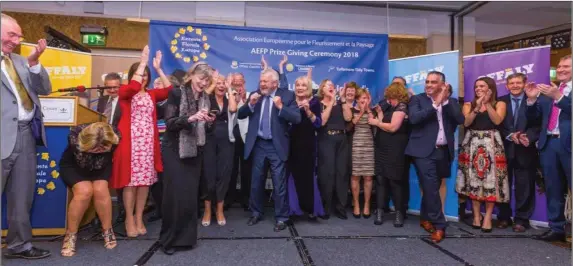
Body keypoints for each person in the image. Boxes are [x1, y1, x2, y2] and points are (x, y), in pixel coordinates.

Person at [1, 13, 52, 260]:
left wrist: (34, 63)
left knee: (22, 195)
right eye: (12, 34)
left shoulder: (22, 61)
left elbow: (45, 89)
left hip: (25, 135)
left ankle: (19, 245)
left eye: (19, 36)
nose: (17, 40)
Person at [110, 46, 172, 237]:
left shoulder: (152, 94)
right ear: (133, 75)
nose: (143, 78)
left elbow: (170, 90)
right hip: (130, 144)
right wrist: (143, 62)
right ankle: (129, 218)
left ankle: (139, 217)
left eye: (146, 75)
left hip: (147, 145)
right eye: (140, 74)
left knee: (144, 183)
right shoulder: (125, 92)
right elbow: (134, 86)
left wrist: (159, 69)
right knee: (130, 183)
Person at [159, 62, 215, 255]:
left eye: (207, 80)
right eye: (201, 78)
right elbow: (170, 123)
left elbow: (204, 129)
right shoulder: (176, 93)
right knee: (174, 196)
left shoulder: (206, 98)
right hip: (174, 149)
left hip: (195, 150)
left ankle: (186, 239)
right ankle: (168, 240)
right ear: (191, 75)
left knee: (190, 197)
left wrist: (208, 122)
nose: (203, 83)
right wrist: (191, 118)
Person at [238, 66, 301, 232]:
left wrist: (281, 108)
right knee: (256, 181)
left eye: (265, 81)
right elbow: (241, 114)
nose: (262, 84)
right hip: (258, 144)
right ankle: (256, 212)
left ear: (275, 83)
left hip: (276, 145)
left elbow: (296, 118)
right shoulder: (255, 94)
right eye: (261, 81)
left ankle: (282, 217)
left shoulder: (287, 95)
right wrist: (250, 104)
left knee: (279, 183)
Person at [405, 71, 464, 243]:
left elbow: (460, 119)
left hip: (443, 151)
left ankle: (425, 217)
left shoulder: (451, 102)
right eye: (427, 81)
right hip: (422, 151)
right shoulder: (417, 100)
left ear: (442, 84)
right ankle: (440, 225)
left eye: (433, 82)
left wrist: (445, 101)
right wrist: (436, 103)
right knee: (430, 186)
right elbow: (415, 119)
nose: (429, 85)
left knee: (433, 186)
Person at [526, 54, 572, 242]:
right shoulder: (550, 90)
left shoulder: (556, 92)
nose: (560, 69)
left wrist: (559, 98)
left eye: (566, 66)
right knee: (553, 187)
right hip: (549, 144)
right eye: (559, 66)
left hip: (568, 144)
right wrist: (530, 100)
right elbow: (535, 118)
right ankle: (557, 228)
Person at [59, 122, 120, 256]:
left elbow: (108, 155)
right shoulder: (75, 136)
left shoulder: (113, 135)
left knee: (101, 190)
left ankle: (107, 230)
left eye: (102, 148)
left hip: (101, 166)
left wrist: (101, 151)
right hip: (74, 167)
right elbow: (82, 160)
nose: (99, 151)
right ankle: (70, 235)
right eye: (95, 148)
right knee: (84, 192)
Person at [457, 77, 509, 233]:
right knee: (473, 180)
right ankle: (476, 216)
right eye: (476, 86)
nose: (478, 88)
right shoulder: (468, 104)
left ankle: (487, 217)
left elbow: (497, 121)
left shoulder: (499, 104)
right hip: (472, 143)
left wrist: (486, 103)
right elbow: (466, 123)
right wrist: (477, 106)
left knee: (491, 181)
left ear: (490, 88)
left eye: (482, 86)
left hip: (492, 144)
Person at [497, 73, 540, 232]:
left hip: (525, 149)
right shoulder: (500, 101)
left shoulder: (534, 99)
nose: (515, 86)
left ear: (524, 84)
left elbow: (538, 123)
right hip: (504, 149)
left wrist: (528, 137)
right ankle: (503, 217)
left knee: (525, 186)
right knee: (502, 185)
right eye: (511, 83)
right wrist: (510, 135)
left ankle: (522, 219)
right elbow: (496, 123)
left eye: (518, 83)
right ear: (507, 86)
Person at [369, 82, 410, 226]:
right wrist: (380, 115)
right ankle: (379, 210)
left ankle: (399, 213)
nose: (388, 100)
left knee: (395, 181)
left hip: (396, 149)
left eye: (390, 97)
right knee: (380, 180)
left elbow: (392, 127)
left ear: (396, 95)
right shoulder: (390, 107)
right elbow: (383, 124)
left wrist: (375, 122)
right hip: (382, 147)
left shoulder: (402, 107)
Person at [287, 69, 325, 220]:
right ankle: (293, 210)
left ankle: (310, 208)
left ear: (308, 87)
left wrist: (308, 111)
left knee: (308, 176)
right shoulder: (289, 101)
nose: (300, 87)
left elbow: (318, 124)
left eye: (303, 85)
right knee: (291, 177)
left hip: (308, 144)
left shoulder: (314, 102)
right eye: (298, 85)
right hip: (290, 144)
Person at [201, 74, 238, 226]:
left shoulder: (230, 98)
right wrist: (213, 82)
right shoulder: (207, 98)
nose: (221, 85)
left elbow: (234, 109)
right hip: (209, 140)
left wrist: (230, 89)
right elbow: (203, 97)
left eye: (224, 83)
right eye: (219, 83)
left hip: (226, 141)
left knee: (224, 174)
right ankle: (208, 210)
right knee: (209, 175)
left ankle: (220, 209)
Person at [317, 80, 353, 220]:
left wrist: (342, 99)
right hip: (326, 139)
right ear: (322, 89)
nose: (331, 87)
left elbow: (348, 117)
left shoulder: (340, 104)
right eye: (328, 85)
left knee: (342, 173)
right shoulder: (318, 103)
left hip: (342, 140)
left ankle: (341, 207)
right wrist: (332, 101)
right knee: (327, 174)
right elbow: (323, 121)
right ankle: (325, 207)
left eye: (333, 85)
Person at [96, 72, 126, 224]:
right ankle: (98, 213)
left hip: (120, 142)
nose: (113, 90)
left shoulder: (126, 100)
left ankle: (123, 211)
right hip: (103, 144)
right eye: (110, 88)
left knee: (121, 178)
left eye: (116, 87)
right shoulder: (102, 99)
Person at [349, 89, 375, 219]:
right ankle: (356, 204)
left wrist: (368, 109)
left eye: (365, 98)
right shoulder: (352, 110)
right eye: (360, 98)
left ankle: (366, 205)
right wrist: (362, 111)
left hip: (369, 146)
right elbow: (352, 124)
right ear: (356, 99)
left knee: (368, 177)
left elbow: (373, 122)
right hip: (355, 146)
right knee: (355, 176)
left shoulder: (372, 110)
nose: (363, 100)